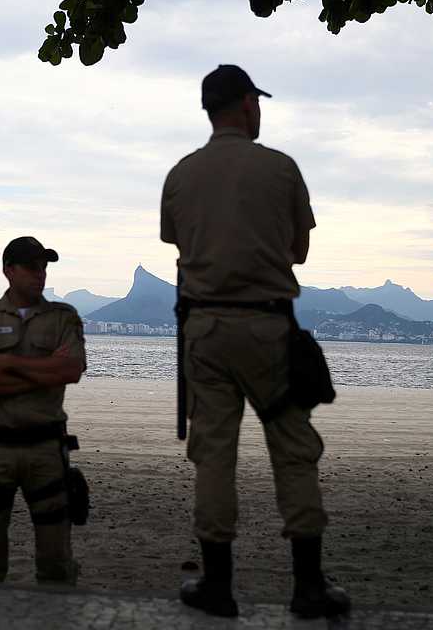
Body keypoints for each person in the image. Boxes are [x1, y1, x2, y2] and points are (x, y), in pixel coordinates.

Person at [160, 64, 350, 619]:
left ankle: (218, 585)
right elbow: (300, 250)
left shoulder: (180, 174)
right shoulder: (281, 169)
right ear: (246, 104)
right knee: (293, 450)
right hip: (268, 327)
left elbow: (175, 239)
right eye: (257, 102)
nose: (260, 110)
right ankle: (307, 586)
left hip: (204, 331)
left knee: (213, 456)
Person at [0, 236, 86, 585]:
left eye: (44, 266)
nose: (40, 274)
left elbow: (71, 371)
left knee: (56, 560)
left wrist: (9, 363)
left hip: (46, 449)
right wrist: (43, 371)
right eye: (31, 267)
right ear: (8, 271)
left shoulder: (64, 318)